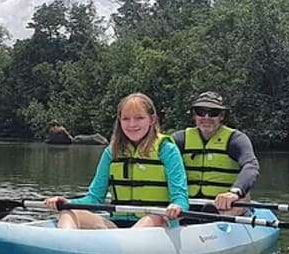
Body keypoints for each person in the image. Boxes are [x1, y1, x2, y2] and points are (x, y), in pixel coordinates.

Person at [44, 93, 189, 229]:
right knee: (69, 212)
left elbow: (180, 198)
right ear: (119, 121)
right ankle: (67, 249)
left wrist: (177, 206)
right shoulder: (111, 152)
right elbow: (94, 198)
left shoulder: (167, 149)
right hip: (118, 225)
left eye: (139, 118)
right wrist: (67, 203)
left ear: (152, 120)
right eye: (126, 119)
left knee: (152, 217)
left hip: (158, 223)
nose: (132, 124)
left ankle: (125, 249)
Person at [171, 91, 259, 215]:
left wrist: (234, 192)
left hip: (225, 205)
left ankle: (218, 218)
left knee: (241, 198)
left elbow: (251, 166)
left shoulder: (236, 140)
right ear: (194, 116)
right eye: (201, 112)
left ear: (221, 116)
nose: (206, 117)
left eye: (213, 113)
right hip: (188, 203)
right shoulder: (179, 139)